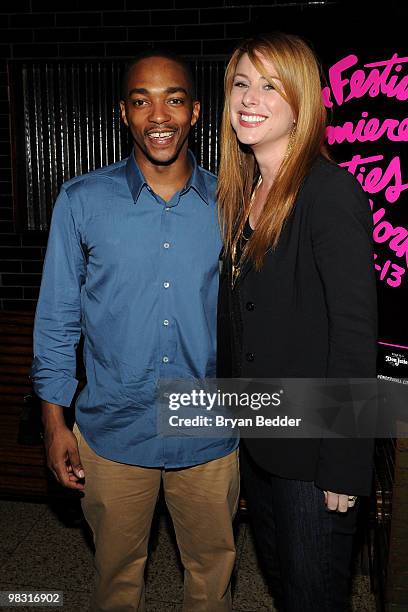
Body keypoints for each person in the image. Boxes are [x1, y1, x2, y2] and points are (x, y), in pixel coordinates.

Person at [32, 50, 239, 612]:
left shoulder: (230, 203)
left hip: (208, 433)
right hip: (113, 431)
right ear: (124, 113)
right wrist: (54, 423)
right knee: (116, 582)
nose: (159, 115)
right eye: (142, 100)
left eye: (173, 99)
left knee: (210, 582)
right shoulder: (82, 202)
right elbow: (57, 320)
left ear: (195, 111)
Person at [217, 33, 377, 611]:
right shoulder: (246, 192)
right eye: (240, 83)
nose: (249, 98)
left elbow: (356, 337)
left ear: (302, 102)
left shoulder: (329, 192)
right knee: (289, 589)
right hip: (263, 444)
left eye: (269, 85)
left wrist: (344, 463)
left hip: (315, 457)